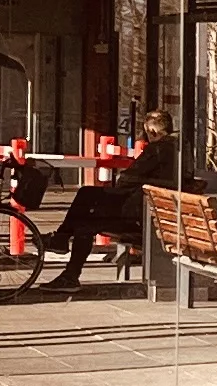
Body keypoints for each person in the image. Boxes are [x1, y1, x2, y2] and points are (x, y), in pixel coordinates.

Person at [43, 109, 179, 288]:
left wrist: (132, 181)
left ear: (152, 132)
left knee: (86, 214)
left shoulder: (158, 149)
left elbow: (125, 179)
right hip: (155, 212)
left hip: (142, 216)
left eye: (147, 133)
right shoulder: (178, 149)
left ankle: (67, 261)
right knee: (87, 197)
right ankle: (63, 244)